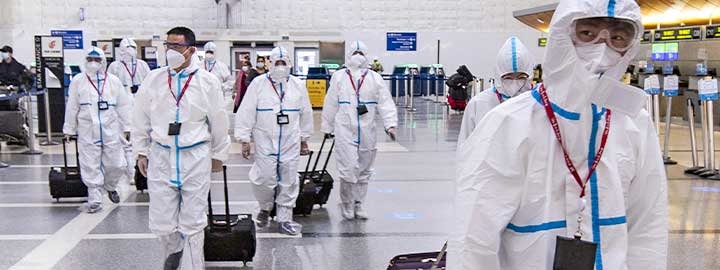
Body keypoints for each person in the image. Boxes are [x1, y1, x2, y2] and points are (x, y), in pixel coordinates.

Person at [449, 0, 667, 269]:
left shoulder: (633, 123)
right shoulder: (508, 123)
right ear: (562, 34)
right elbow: (473, 237)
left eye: (617, 38)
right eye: (587, 34)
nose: (601, 50)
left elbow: (648, 225)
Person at [133, 27, 230, 269]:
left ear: (191, 50)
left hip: (194, 156)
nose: (171, 51)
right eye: (168, 46)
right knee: (162, 221)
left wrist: (218, 154)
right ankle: (174, 253)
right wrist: (141, 151)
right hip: (162, 155)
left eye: (177, 46)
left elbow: (218, 120)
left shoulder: (207, 82)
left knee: (194, 221)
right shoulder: (154, 80)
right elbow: (140, 117)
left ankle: (193, 266)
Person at [235, 46, 313, 235]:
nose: (279, 66)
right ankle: (265, 207)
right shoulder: (258, 84)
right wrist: (244, 139)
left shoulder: (297, 85)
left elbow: (306, 112)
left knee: (289, 178)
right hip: (264, 139)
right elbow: (246, 111)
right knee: (264, 178)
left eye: (283, 63)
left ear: (289, 64)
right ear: (270, 64)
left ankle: (285, 218)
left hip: (290, 139)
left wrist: (304, 138)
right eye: (276, 63)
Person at [321, 40, 398, 220]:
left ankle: (359, 203)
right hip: (344, 128)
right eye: (355, 52)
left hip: (367, 129)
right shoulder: (339, 77)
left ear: (367, 55)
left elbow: (385, 102)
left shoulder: (374, 78)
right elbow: (330, 102)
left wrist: (390, 124)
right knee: (348, 168)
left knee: (364, 169)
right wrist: (327, 126)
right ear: (348, 55)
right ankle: (347, 203)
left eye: (361, 53)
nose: (358, 56)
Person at [62, 46, 132, 213]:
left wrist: (128, 126)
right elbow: (72, 106)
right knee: (90, 163)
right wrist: (69, 129)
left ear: (103, 62)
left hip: (111, 128)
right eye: (90, 60)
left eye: (97, 60)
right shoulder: (78, 81)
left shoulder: (113, 81)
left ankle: (110, 185)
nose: (93, 63)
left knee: (117, 163)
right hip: (88, 129)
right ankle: (95, 198)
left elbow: (123, 106)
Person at [457, 36, 534, 145]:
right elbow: (465, 144)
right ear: (498, 75)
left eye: (522, 77)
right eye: (508, 77)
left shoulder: (540, 104)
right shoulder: (478, 104)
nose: (515, 84)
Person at [107, 37, 152, 180]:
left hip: (140, 99)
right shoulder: (115, 66)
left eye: (132, 47)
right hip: (122, 102)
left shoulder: (142, 65)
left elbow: (150, 83)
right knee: (125, 139)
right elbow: (110, 86)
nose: (130, 50)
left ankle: (142, 170)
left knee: (143, 134)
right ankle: (131, 172)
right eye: (127, 48)